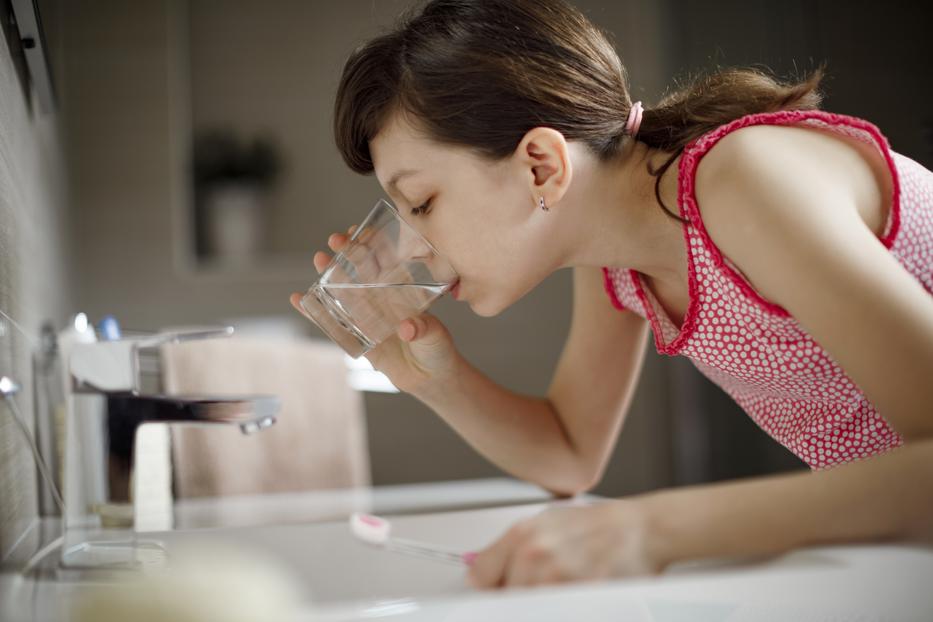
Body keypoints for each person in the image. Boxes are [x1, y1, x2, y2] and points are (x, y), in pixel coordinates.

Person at [289, 0, 933, 589]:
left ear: (541, 164)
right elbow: (570, 457)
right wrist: (431, 378)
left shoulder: (747, 180)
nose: (410, 248)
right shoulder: (612, 258)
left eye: (422, 203)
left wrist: (650, 529)